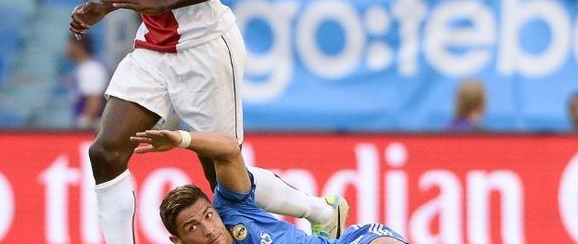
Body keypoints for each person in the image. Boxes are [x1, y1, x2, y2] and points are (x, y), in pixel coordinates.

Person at [74, 0, 343, 242]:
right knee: (105, 153)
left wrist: (162, 3)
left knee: (224, 178)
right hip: (154, 47)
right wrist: (104, 5)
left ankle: (321, 210)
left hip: (204, 50)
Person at [131, 129, 409, 244]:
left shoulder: (230, 208)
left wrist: (181, 139)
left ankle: (319, 211)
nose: (209, 230)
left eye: (207, 215)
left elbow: (229, 150)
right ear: (177, 241)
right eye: (193, 227)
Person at [66, 34, 109, 130]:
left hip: (92, 127)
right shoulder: (83, 68)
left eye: (70, 44)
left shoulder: (92, 69)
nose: (67, 48)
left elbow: (94, 99)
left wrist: (85, 123)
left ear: (78, 46)